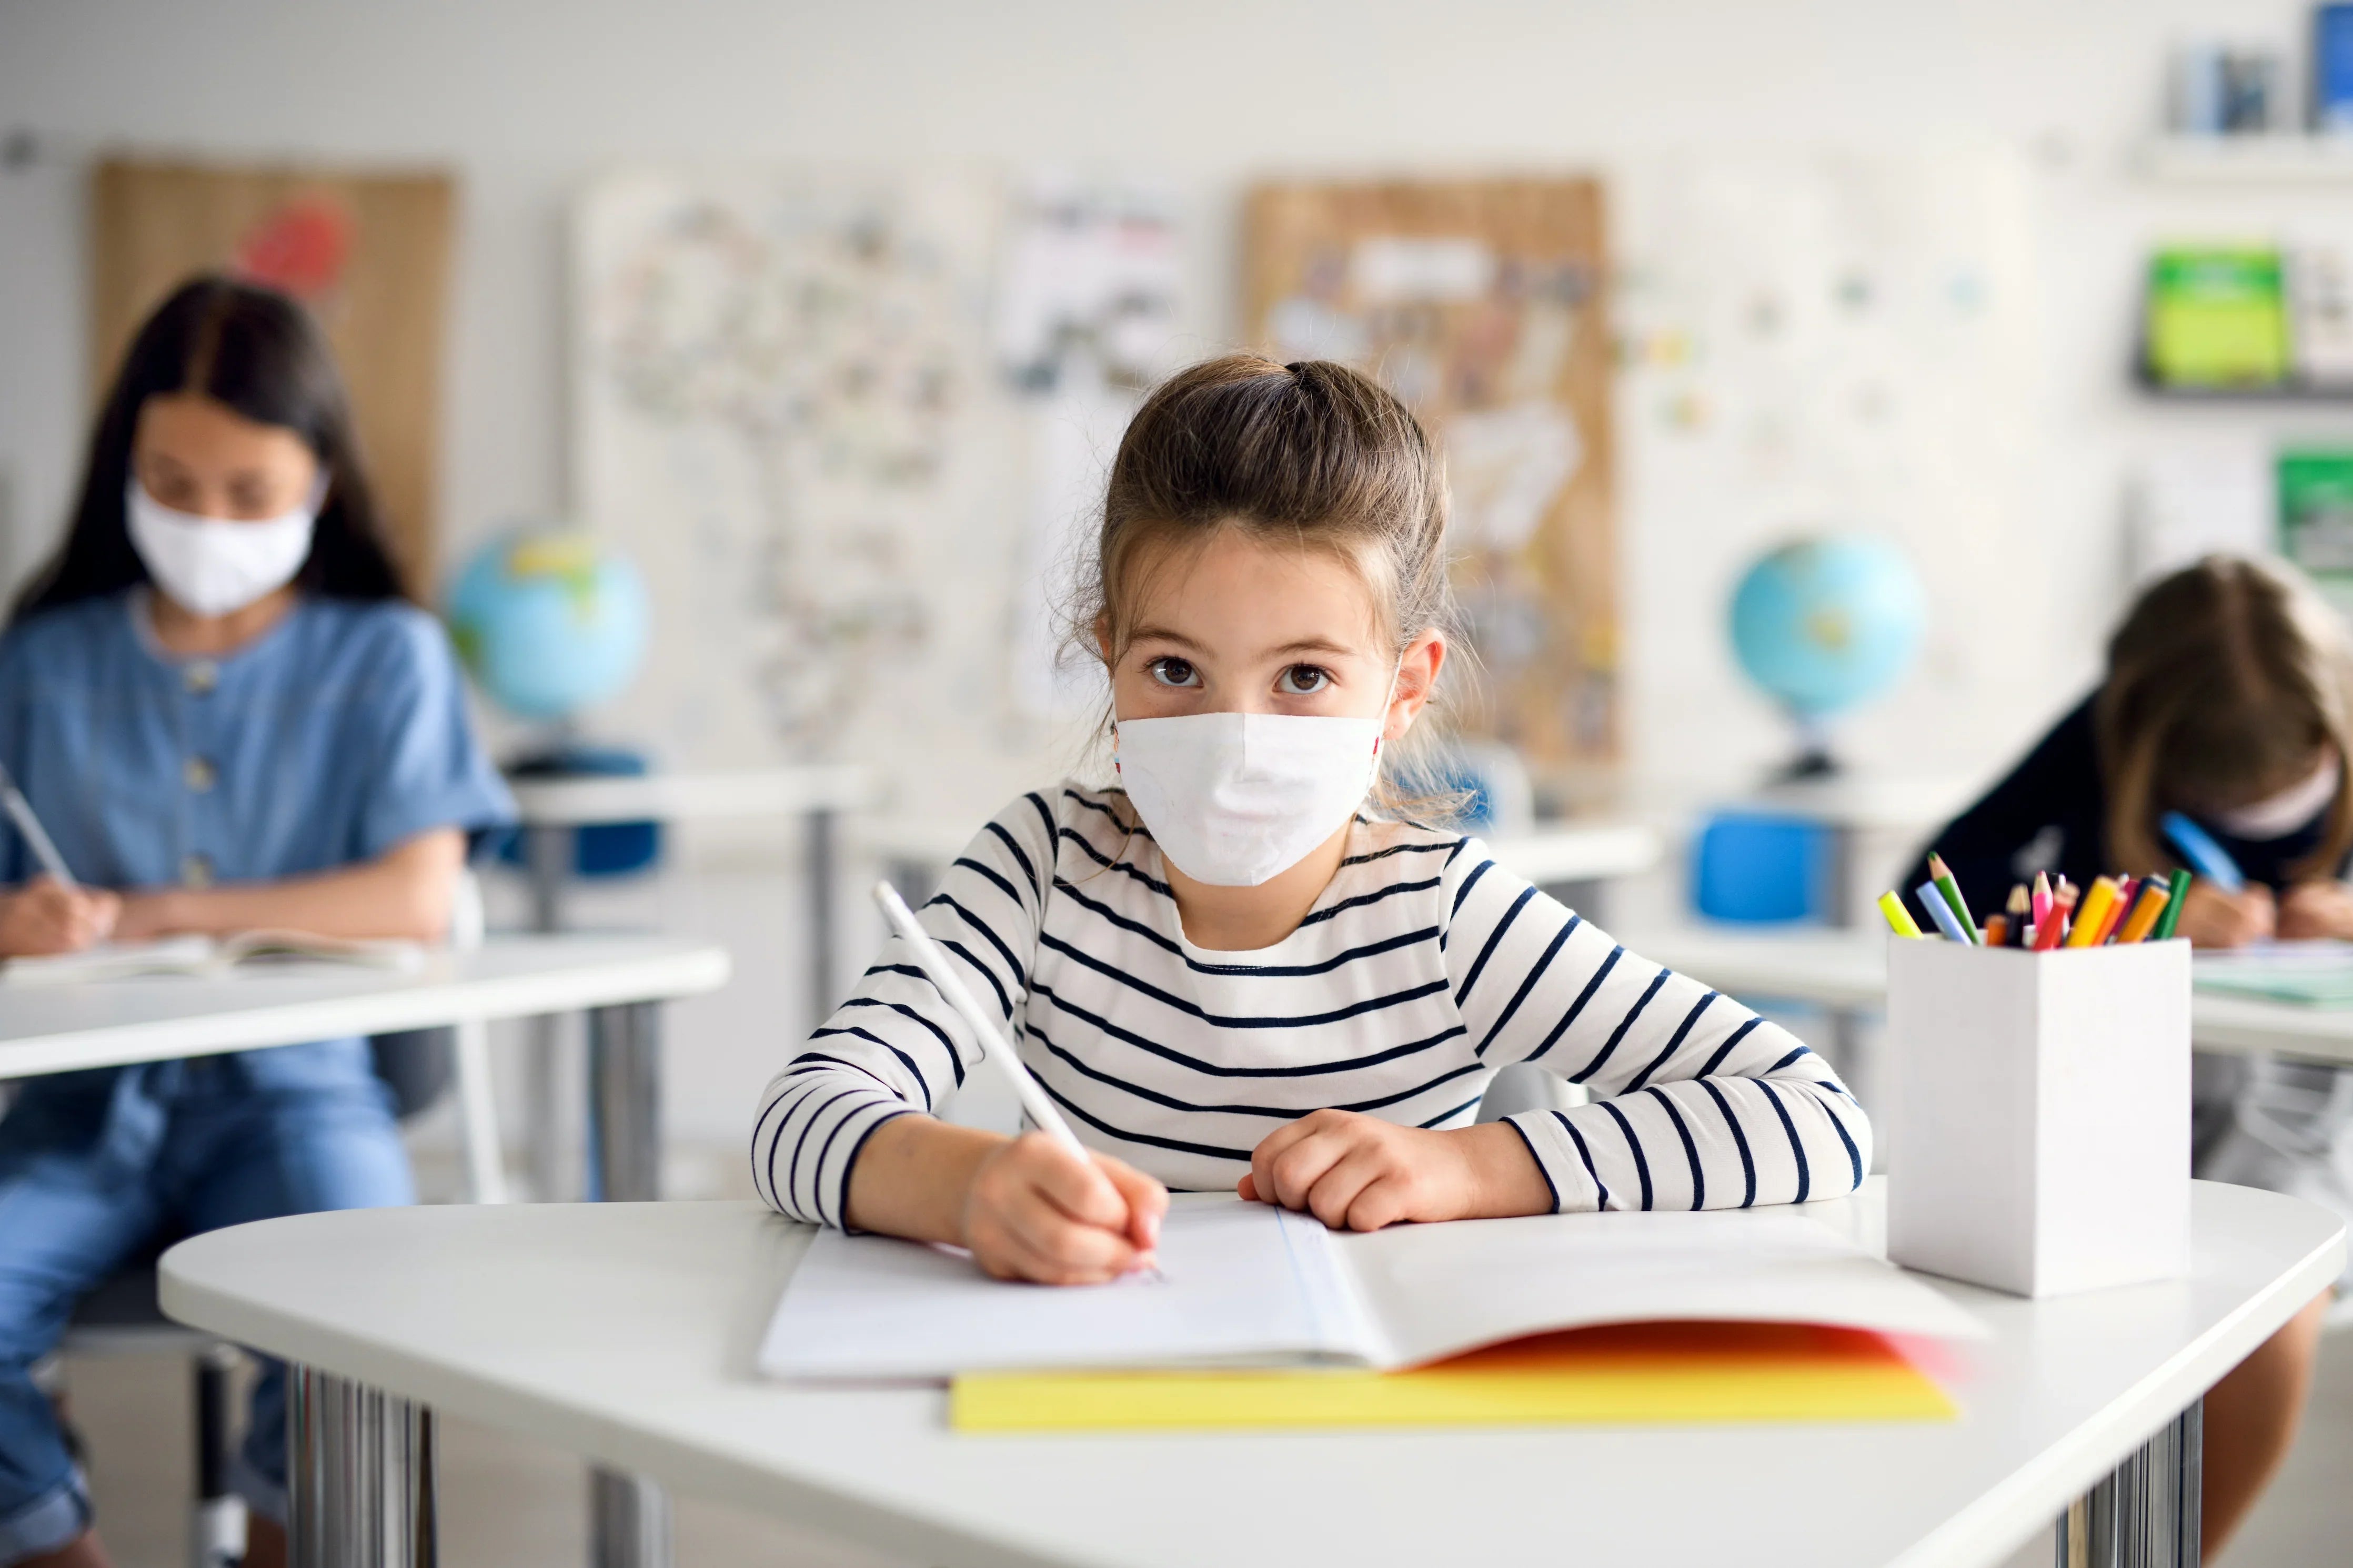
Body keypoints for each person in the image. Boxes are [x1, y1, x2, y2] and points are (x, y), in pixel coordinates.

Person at [751, 353, 1869, 1283]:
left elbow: (1815, 1119)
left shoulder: (1441, 914)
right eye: (1176, 668)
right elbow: (801, 1116)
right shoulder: (1040, 868)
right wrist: (972, 1185)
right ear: (1108, 658)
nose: (1234, 732)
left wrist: (1467, 1170)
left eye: (1301, 678)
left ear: (1405, 685)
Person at [0, 277, 512, 1568]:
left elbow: (411, 893)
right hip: (75, 1111)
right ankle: (53, 1537)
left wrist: (153, 913)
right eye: (172, 484)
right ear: (125, 465)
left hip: (301, 1100)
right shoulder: (43, 662)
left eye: (248, 494)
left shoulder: (386, 655)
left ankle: (290, 1539)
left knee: (374, 1306)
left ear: (322, 484)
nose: (205, 522)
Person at [1901, 554, 2351, 1559]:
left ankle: (2167, 1552)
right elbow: (1937, 880)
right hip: (2133, 1093)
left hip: (2312, 1109)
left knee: (2269, 1269)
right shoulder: (2104, 728)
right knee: (2099, 1275)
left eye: (2292, 804)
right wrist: (2159, 904)